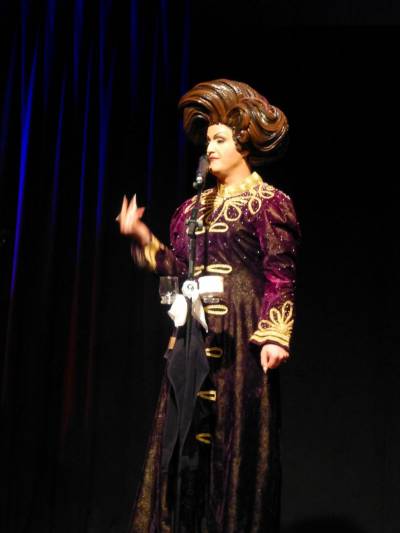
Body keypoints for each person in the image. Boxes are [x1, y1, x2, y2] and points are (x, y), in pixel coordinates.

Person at [118, 79, 301, 532]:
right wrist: (142, 237)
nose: (210, 149)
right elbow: (178, 268)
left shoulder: (269, 203)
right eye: (208, 141)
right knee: (182, 441)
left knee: (235, 441)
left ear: (244, 144)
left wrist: (275, 335)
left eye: (220, 140)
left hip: (241, 332)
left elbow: (281, 272)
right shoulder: (189, 210)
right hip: (193, 333)